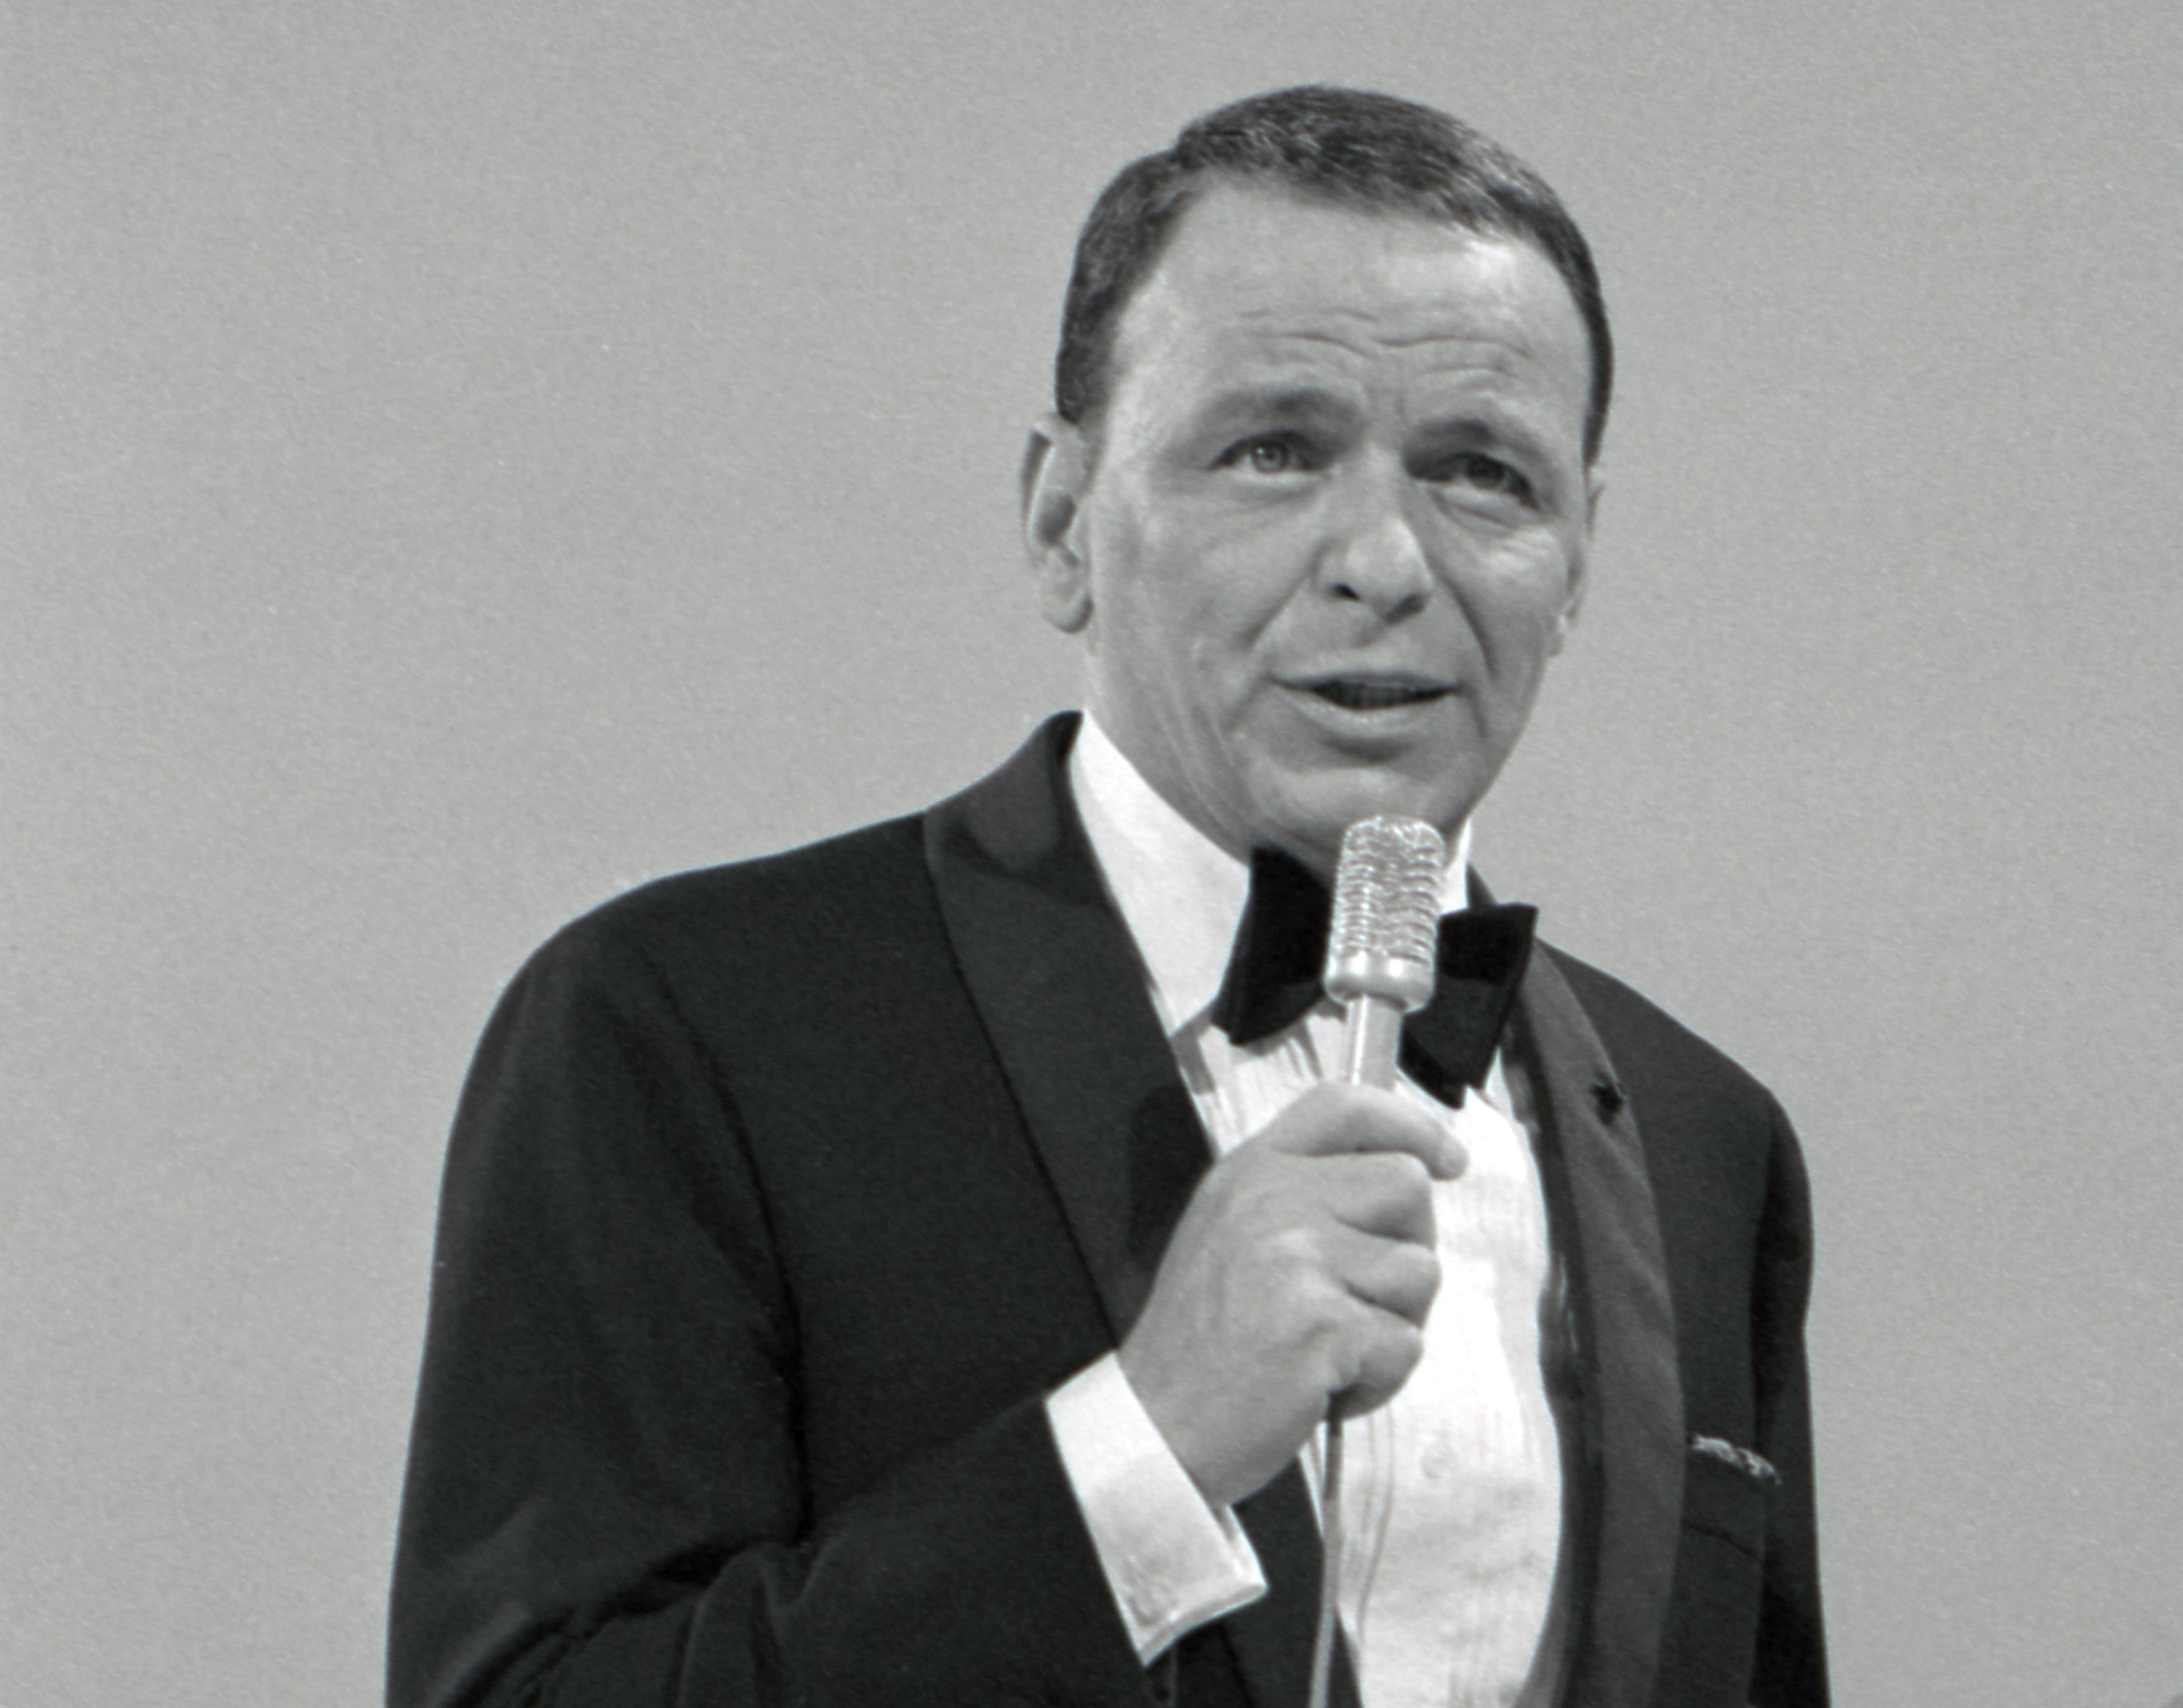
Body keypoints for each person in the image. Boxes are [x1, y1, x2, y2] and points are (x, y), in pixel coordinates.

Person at [389, 86, 1829, 1708]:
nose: (1386, 558)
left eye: (1482, 473)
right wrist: (1142, 1447)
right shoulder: (686, 1020)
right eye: (1273, 450)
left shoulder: (1709, 1138)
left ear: (1577, 560)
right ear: (1063, 520)